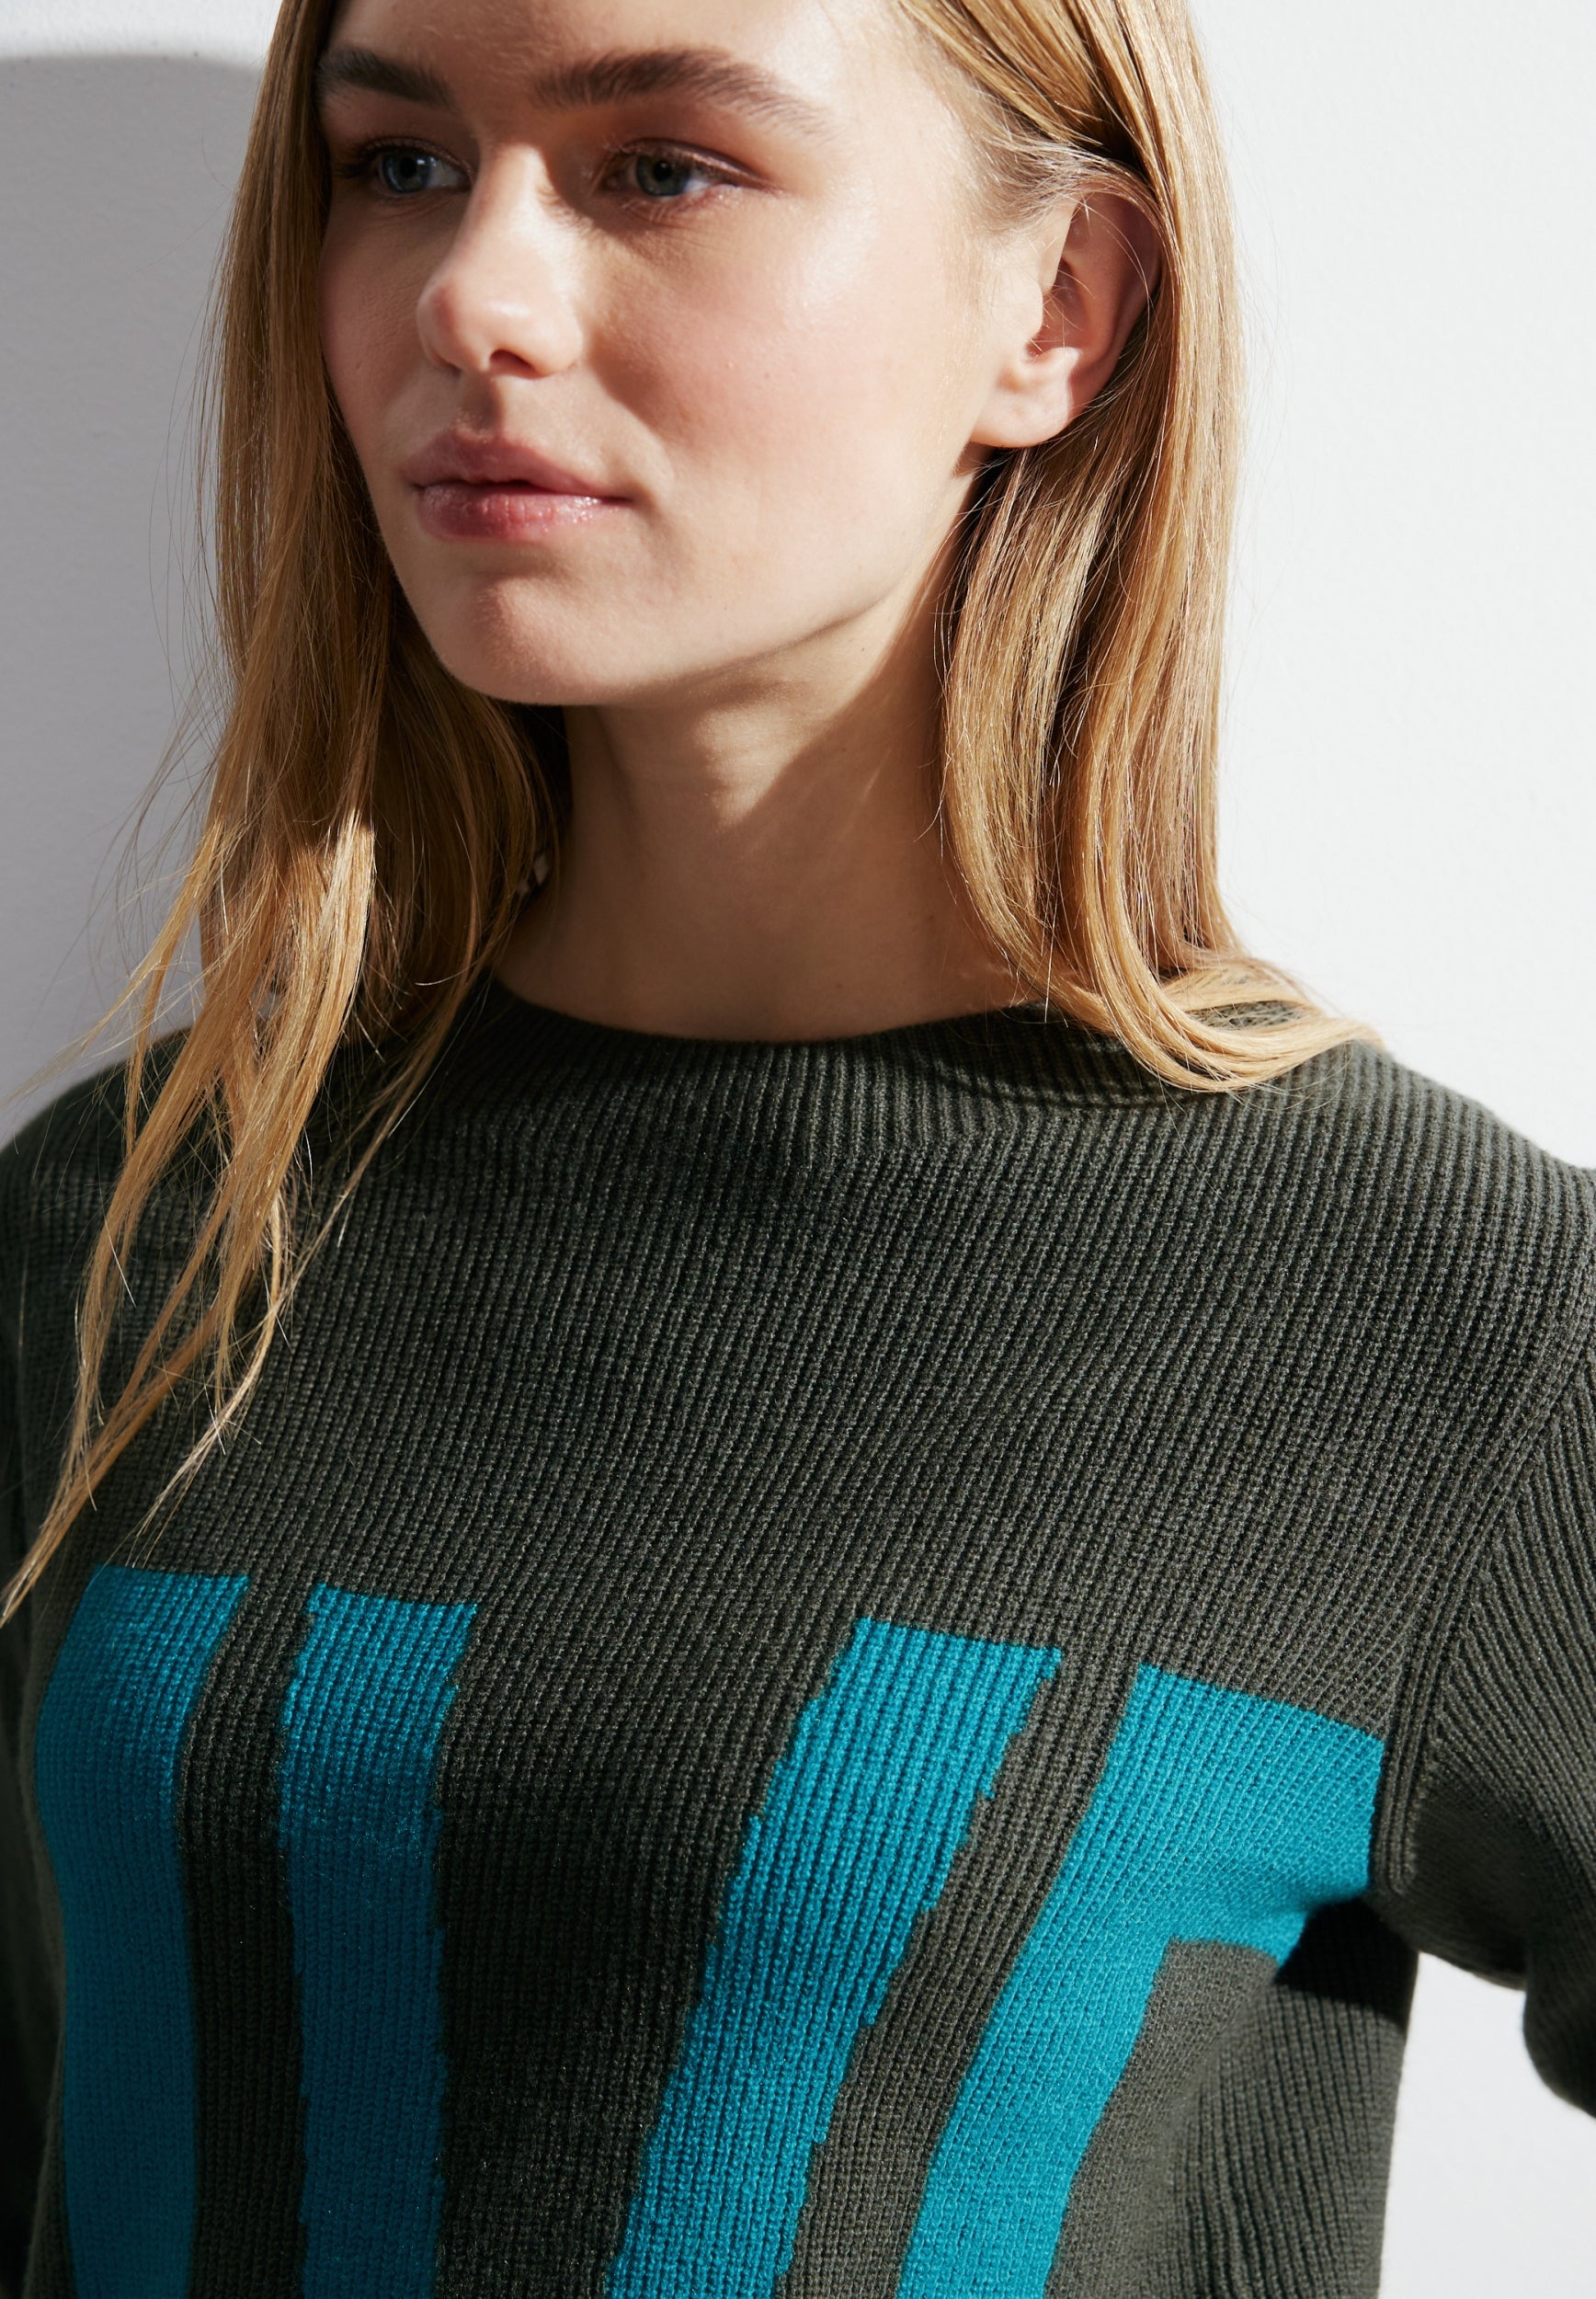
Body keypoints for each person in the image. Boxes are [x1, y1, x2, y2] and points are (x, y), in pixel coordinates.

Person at [1, 0, 1590, 2290]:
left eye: (662, 167)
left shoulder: (1436, 1325)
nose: (470, 297)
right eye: (399, 165)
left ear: (1056, 309)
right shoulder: (129, 1230)